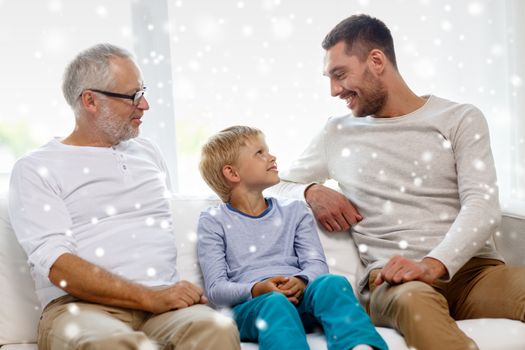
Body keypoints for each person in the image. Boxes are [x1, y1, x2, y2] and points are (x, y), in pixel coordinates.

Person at [271, 14, 525, 350]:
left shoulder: (460, 118)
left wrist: (431, 265)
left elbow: (482, 205)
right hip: (393, 281)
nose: (334, 90)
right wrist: (310, 190)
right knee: (414, 304)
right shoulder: (337, 133)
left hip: (474, 273)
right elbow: (271, 185)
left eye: (340, 74)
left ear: (376, 61)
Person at [8, 43, 240, 350]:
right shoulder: (36, 168)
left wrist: (164, 295)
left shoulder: (148, 154)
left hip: (163, 306)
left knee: (216, 328)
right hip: (82, 309)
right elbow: (59, 266)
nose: (144, 105)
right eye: (132, 96)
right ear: (90, 100)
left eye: (142, 92)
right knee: (111, 343)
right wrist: (150, 296)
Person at [197, 125, 388, 350]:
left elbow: (316, 264)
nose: (272, 157)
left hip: (300, 299)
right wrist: (257, 289)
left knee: (332, 283)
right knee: (275, 303)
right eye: (260, 153)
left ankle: (360, 346)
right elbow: (216, 289)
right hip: (253, 309)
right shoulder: (213, 220)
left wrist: (301, 280)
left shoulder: (295, 211)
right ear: (232, 173)